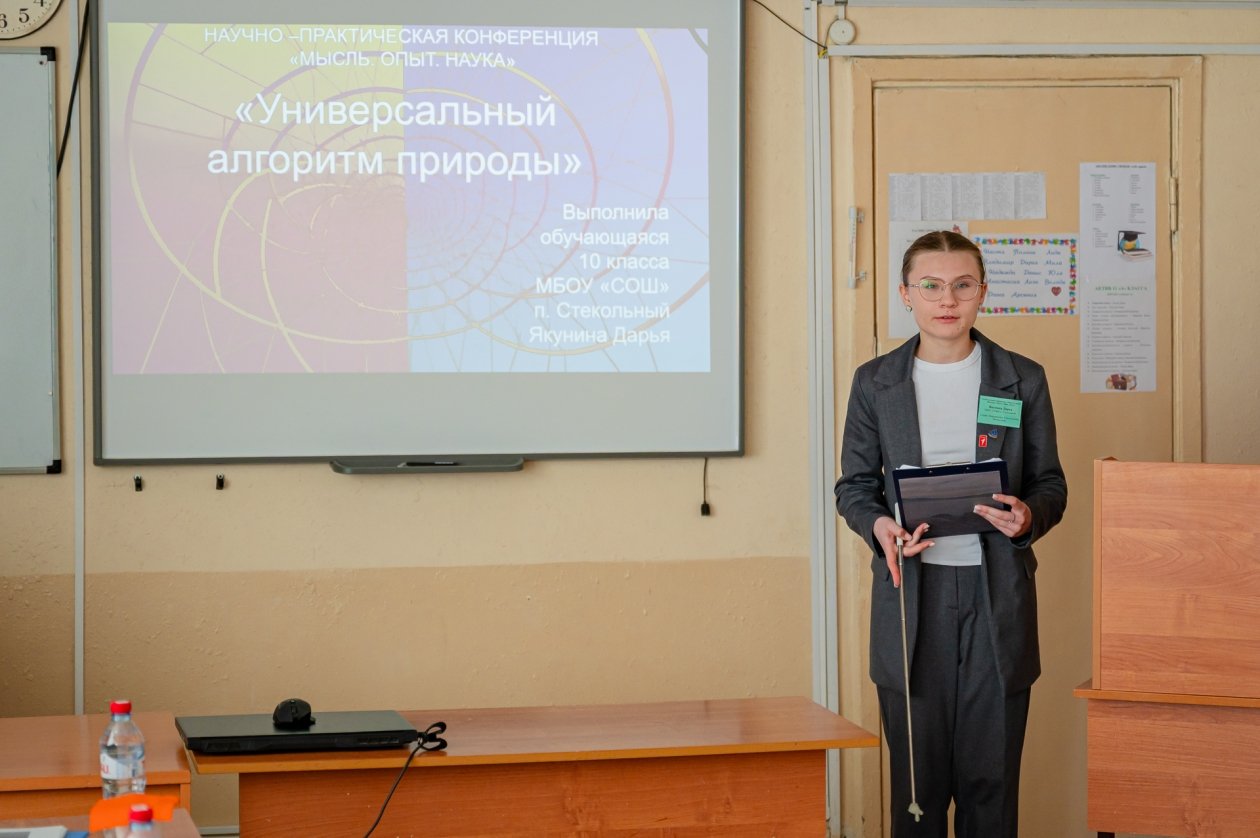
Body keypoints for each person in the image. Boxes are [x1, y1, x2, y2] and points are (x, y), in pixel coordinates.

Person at [834, 230, 1067, 838]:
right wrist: (881, 525)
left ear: (982, 292)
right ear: (905, 294)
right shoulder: (875, 382)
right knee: (919, 788)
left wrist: (1028, 517)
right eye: (931, 286)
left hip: (997, 597)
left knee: (991, 787)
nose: (947, 300)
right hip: (913, 597)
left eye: (962, 285)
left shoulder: (1022, 378)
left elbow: (1050, 484)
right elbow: (854, 487)